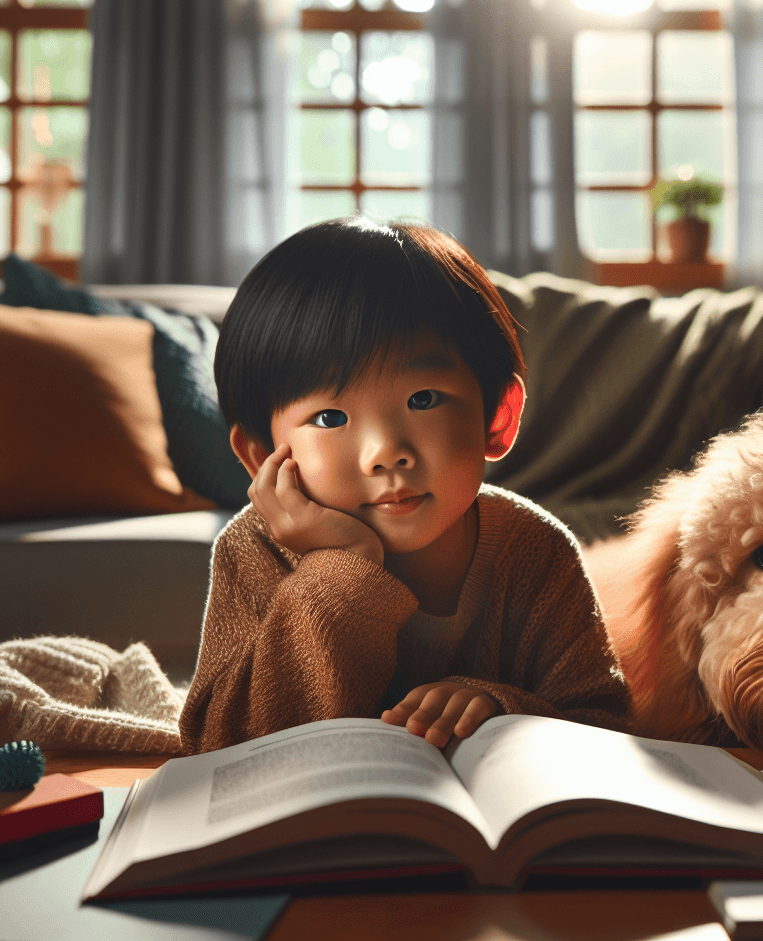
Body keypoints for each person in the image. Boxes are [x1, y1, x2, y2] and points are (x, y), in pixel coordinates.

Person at [179, 216, 631, 754]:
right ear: (261, 457)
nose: (385, 452)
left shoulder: (535, 549)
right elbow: (220, 747)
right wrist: (342, 563)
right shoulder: (254, 550)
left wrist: (497, 706)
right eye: (329, 418)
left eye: (424, 399)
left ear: (499, 418)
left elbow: (604, 724)